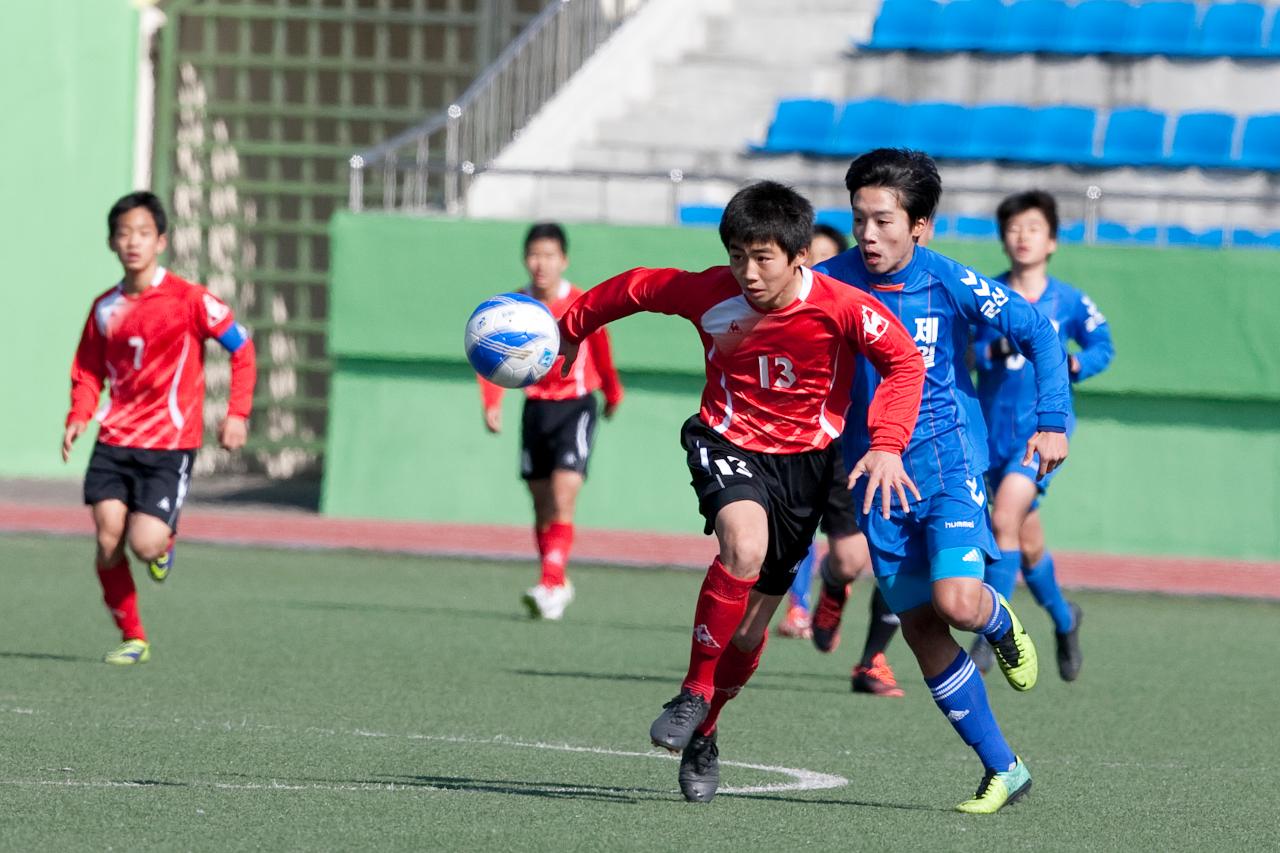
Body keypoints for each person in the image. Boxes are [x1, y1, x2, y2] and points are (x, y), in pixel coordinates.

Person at [556, 181, 926, 803]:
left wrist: (887, 443)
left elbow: (905, 362)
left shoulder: (842, 306)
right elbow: (638, 286)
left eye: (763, 259)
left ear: (799, 256)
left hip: (805, 468)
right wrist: (573, 327)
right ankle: (694, 690)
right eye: (737, 256)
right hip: (725, 440)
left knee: (751, 636)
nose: (747, 274)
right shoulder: (710, 293)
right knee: (743, 547)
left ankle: (707, 731)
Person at [815, 148, 1071, 814]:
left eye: (883, 221)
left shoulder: (951, 282)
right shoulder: (826, 282)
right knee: (921, 627)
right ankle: (1003, 768)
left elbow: (1040, 330)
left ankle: (1000, 620)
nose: (867, 234)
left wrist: (1052, 420)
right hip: (876, 476)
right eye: (858, 219)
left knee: (958, 603)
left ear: (920, 225)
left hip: (950, 462)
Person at [63, 191, 256, 665]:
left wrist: (237, 413)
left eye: (144, 233)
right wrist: (79, 415)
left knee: (144, 543)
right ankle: (134, 637)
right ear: (112, 242)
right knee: (108, 539)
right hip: (114, 441)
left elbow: (242, 347)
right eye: (124, 233)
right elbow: (88, 371)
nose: (133, 242)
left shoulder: (191, 300)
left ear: (161, 241)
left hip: (169, 446)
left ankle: (162, 542)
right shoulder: (104, 308)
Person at [969, 190, 1114, 681]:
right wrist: (988, 352)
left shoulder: (1069, 300)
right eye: (1013, 227)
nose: (1022, 235)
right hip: (989, 432)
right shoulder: (986, 294)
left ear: (1051, 240)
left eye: (1033, 227)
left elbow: (1102, 345)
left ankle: (993, 631)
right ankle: (1065, 618)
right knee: (1025, 544)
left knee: (1004, 517)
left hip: (1040, 434)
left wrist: (1074, 363)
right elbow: (967, 350)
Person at [479, 223, 623, 621]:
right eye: (533, 255)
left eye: (548, 255)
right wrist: (492, 402)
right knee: (541, 502)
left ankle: (549, 580)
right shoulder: (513, 308)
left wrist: (613, 393)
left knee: (563, 495)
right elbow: (490, 356)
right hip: (536, 410)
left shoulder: (581, 303)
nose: (540, 264)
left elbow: (603, 351)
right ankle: (555, 582)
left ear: (564, 260)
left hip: (576, 406)